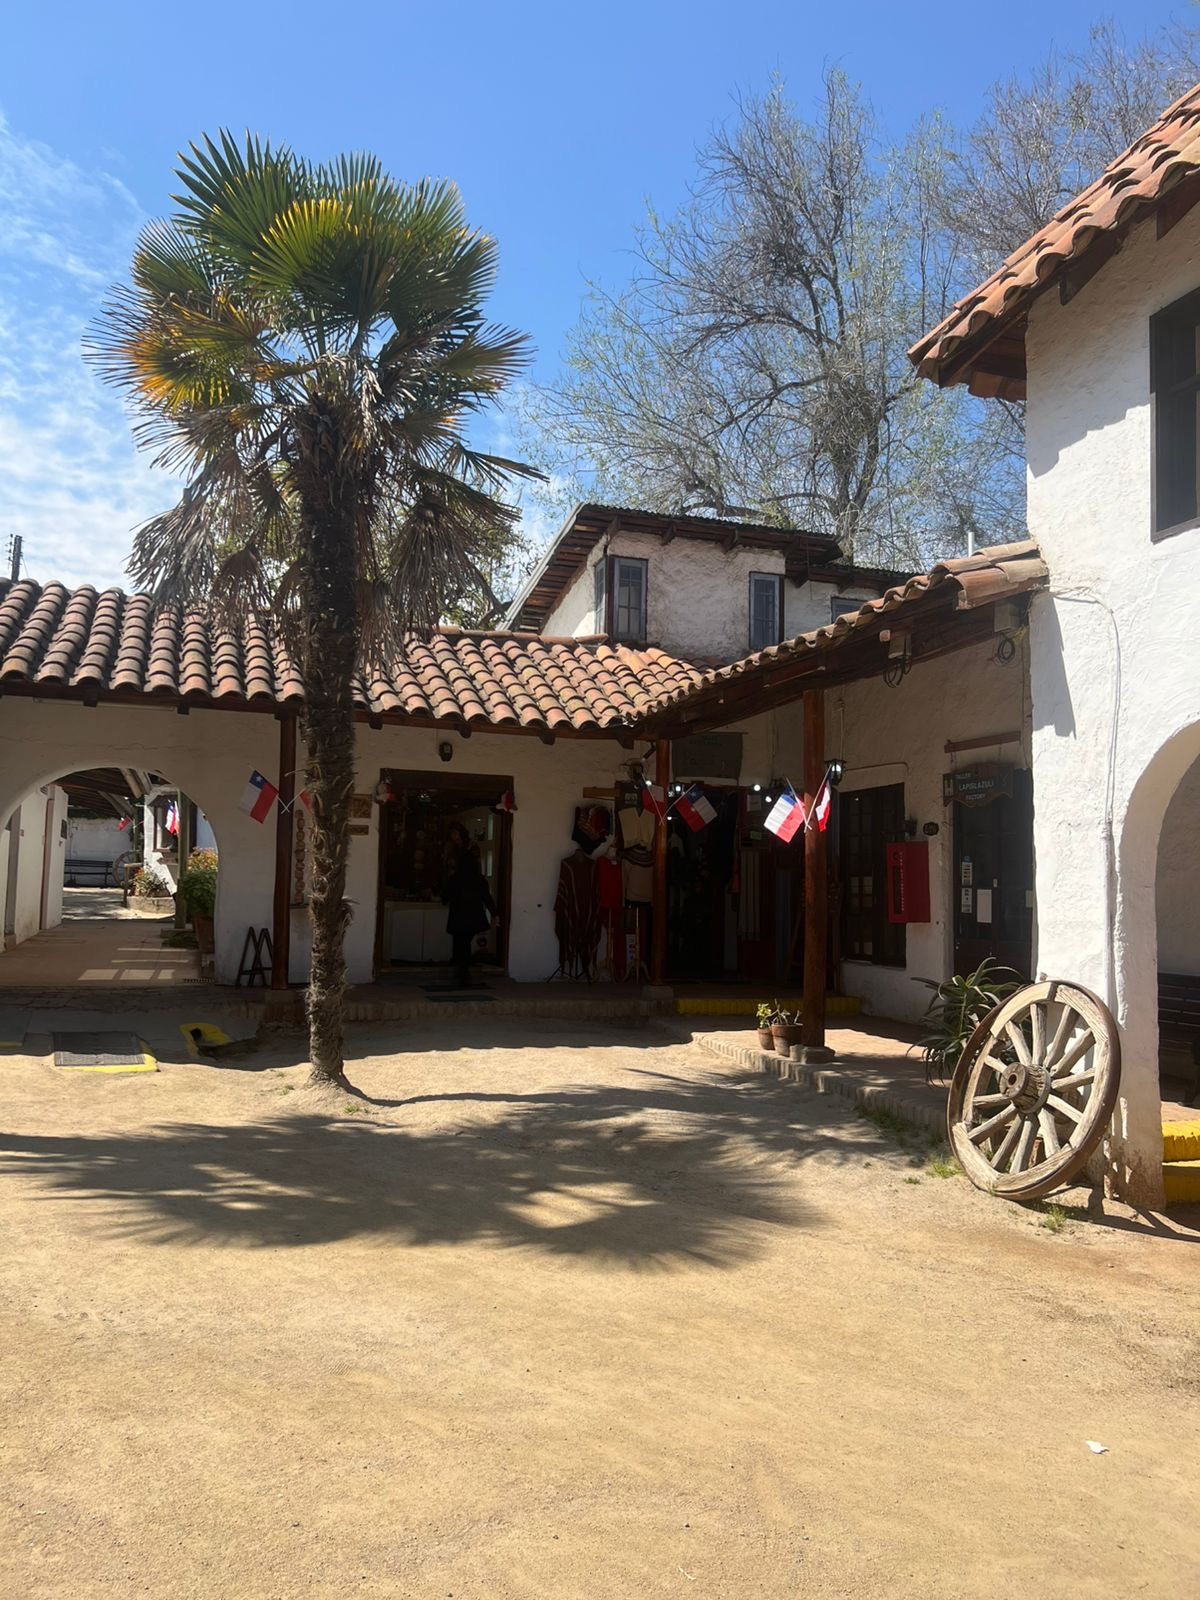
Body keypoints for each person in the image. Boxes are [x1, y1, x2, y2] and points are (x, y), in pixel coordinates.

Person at [443, 840, 495, 988]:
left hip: (458, 916)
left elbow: (445, 896)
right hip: (473, 917)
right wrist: (494, 912)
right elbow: (487, 898)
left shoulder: (455, 879)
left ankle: (462, 970)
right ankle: (463, 971)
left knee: (461, 942)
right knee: (465, 942)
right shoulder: (479, 880)